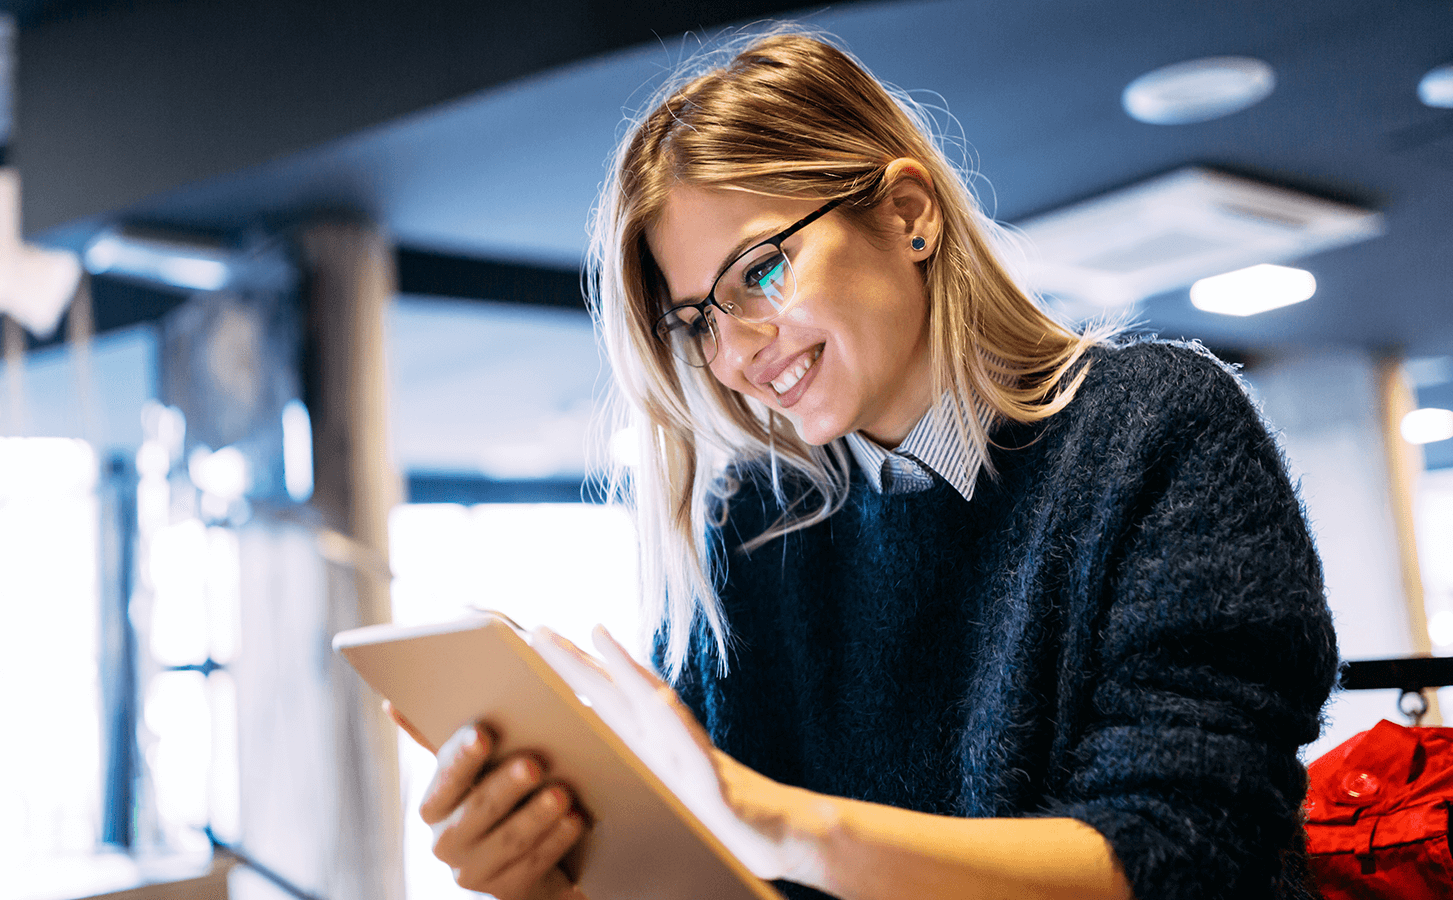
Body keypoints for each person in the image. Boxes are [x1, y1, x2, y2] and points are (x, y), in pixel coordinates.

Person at [395, 29, 1339, 900]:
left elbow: (1193, 851)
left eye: (760, 271)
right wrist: (551, 874)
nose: (736, 353)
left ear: (907, 215)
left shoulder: (1155, 431)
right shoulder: (748, 525)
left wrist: (789, 828)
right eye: (697, 321)